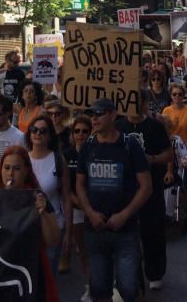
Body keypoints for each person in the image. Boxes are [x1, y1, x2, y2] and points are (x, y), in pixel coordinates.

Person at [75, 98, 152, 302]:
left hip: (125, 230)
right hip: (95, 230)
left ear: (112, 114)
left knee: (129, 288)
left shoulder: (129, 145)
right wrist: (90, 213)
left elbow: (146, 186)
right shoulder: (88, 146)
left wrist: (125, 214)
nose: (94, 119)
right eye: (92, 115)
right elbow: (79, 185)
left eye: (99, 114)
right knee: (99, 289)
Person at [0, 146, 61, 302]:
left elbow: (53, 240)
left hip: (30, 271)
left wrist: (42, 213)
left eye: (16, 168)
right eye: (6, 168)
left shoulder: (36, 198)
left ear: (26, 171)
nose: (10, 173)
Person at [117, 90, 173, 291]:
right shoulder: (117, 126)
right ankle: (132, 275)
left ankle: (155, 271)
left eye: (137, 101)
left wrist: (153, 160)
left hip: (152, 188)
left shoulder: (155, 127)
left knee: (153, 231)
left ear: (143, 104)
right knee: (126, 234)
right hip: (125, 190)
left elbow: (168, 154)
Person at [25, 115, 73, 275]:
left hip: (52, 226)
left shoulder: (58, 160)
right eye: (34, 130)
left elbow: (66, 197)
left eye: (43, 131)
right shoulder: (22, 160)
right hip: (27, 228)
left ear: (50, 136)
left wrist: (68, 231)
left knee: (48, 280)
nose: (37, 134)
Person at [63, 115, 92, 292]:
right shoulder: (67, 155)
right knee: (83, 251)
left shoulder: (97, 151)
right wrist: (80, 204)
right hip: (77, 209)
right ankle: (89, 286)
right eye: (77, 131)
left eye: (84, 131)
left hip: (97, 208)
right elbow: (65, 187)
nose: (80, 135)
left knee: (100, 250)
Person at [161, 85, 187, 195]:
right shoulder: (166, 110)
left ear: (184, 96)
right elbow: (164, 129)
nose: (177, 96)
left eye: (180, 94)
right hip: (171, 147)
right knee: (171, 172)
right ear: (171, 96)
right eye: (174, 94)